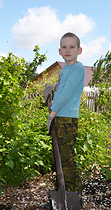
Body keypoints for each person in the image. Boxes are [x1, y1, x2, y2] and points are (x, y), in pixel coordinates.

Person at [43, 32, 85, 196]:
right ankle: (62, 192)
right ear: (60, 51)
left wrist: (52, 113)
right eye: (64, 47)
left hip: (66, 118)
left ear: (79, 50)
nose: (67, 50)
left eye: (72, 47)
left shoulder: (78, 67)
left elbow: (67, 93)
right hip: (59, 116)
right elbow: (62, 85)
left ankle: (74, 195)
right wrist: (53, 86)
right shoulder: (66, 68)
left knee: (66, 159)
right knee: (58, 157)